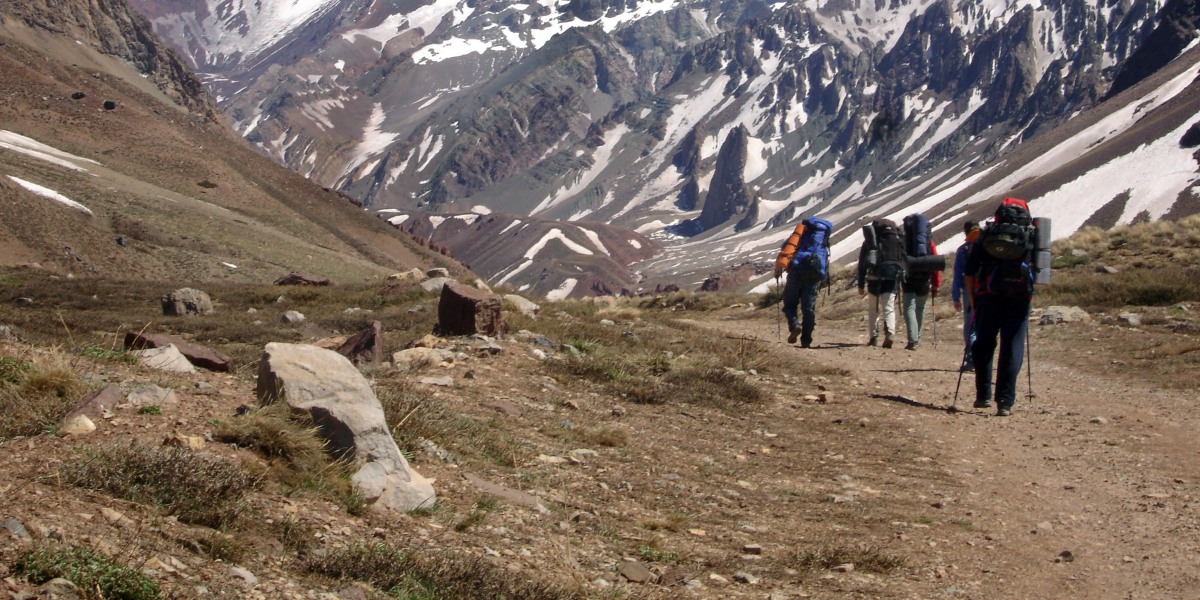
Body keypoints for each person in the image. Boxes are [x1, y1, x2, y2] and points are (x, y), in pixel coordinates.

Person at [964, 198, 1036, 417]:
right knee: (1011, 347)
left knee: (984, 344)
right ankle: (1005, 401)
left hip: (987, 296)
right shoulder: (1031, 235)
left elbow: (969, 270)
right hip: (1019, 299)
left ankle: (983, 395)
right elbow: (1041, 270)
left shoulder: (987, 234)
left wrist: (973, 298)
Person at [774, 217, 833, 348]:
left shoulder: (799, 236)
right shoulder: (823, 242)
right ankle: (806, 341)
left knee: (789, 304)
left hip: (796, 271)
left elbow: (785, 251)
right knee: (808, 310)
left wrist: (777, 269)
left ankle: (795, 325)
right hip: (813, 276)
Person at [856, 219, 904, 348]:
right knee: (888, 306)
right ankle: (890, 333)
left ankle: (873, 337)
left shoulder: (870, 241)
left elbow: (862, 264)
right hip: (892, 276)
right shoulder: (896, 239)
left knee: (873, 308)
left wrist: (860, 284)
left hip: (874, 277)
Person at [900, 223, 942, 351]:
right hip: (924, 281)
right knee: (920, 308)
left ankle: (913, 340)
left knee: (909, 308)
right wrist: (936, 285)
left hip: (908, 281)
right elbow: (935, 266)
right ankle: (916, 337)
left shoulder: (905, 241)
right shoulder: (929, 243)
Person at [952, 220, 982, 371]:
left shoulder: (963, 250)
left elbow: (958, 275)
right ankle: (982, 359)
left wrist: (955, 296)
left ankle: (971, 360)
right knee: (981, 325)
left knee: (970, 326)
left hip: (968, 291)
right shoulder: (986, 246)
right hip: (986, 290)